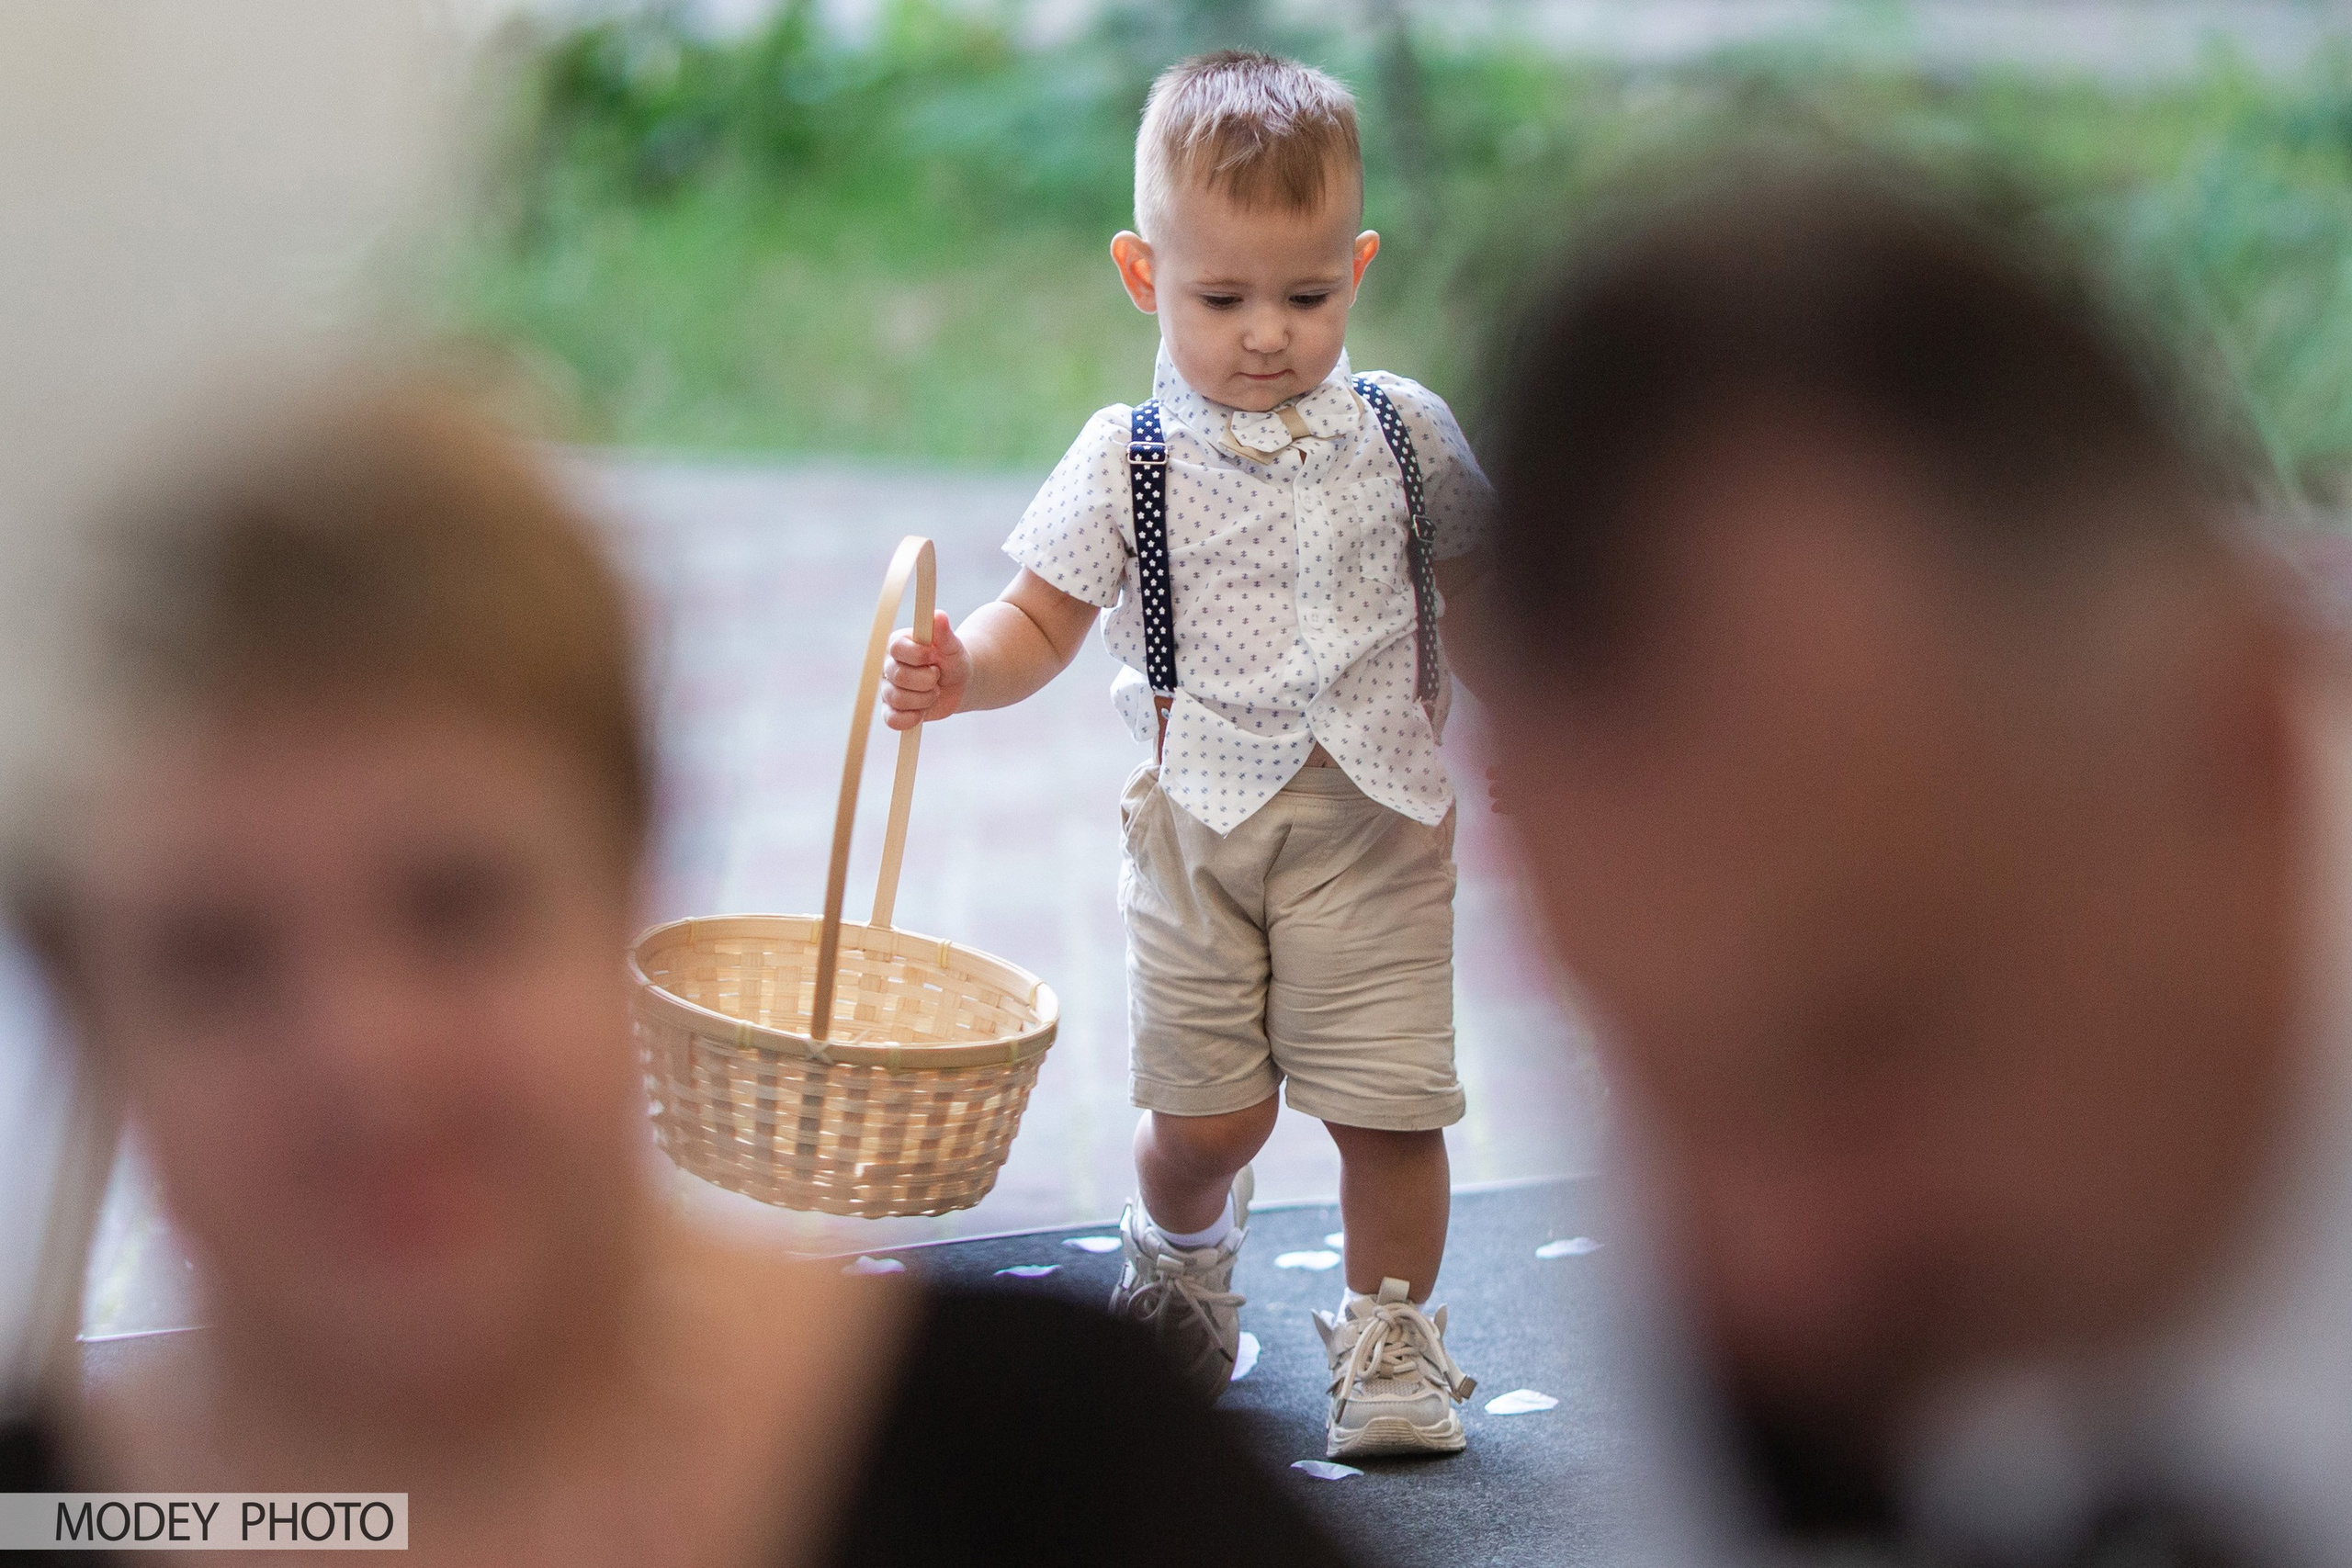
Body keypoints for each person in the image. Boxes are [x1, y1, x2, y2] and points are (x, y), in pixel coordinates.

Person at [0, 385, 1361, 1568]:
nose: (362, 1053)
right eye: (216, 963)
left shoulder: (1049, 1472)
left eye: (456, 909)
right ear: (83, 997)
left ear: (632, 871)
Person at [1470, 163, 2352, 1566]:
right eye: (1661, 1077)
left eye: (1873, 1045)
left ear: (2235, 744)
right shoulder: (1760, 1195)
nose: (1775, 1274)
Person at [878, 49, 1490, 1458]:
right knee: (1212, 1121)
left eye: (1308, 295)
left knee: (1391, 1108)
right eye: (1223, 299)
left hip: (1379, 821)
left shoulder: (1407, 437)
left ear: (1358, 269)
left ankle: (1393, 1339)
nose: (1267, 334)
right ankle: (1182, 1246)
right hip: (1197, 833)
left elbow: (1491, 593)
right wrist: (962, 672)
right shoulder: (1127, 458)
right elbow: (1040, 618)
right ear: (1145, 275)